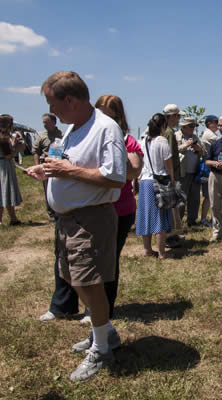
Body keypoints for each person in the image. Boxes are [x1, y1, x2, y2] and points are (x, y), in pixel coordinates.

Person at [26, 71, 127, 382]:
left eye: (52, 103)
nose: (50, 111)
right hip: (69, 219)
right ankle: (104, 334)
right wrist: (47, 170)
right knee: (75, 279)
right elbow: (65, 164)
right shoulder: (72, 128)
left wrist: (68, 171)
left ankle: (102, 350)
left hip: (91, 217)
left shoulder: (105, 129)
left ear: (69, 100)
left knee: (89, 282)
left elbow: (115, 177)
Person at [93, 94, 143, 319]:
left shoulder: (127, 141)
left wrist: (115, 155)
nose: (101, 114)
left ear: (118, 114)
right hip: (92, 206)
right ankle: (91, 305)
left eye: (106, 110)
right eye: (98, 109)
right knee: (90, 258)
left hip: (120, 208)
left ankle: (105, 307)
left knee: (109, 260)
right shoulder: (90, 136)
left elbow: (133, 171)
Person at [136, 113, 174, 259]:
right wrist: (172, 179)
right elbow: (168, 164)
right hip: (159, 181)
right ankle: (162, 252)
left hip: (145, 181)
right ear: (163, 126)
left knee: (145, 215)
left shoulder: (143, 140)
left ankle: (147, 249)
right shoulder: (162, 141)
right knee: (160, 216)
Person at [162, 104, 185, 247]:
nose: (179, 119)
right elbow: (168, 156)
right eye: (177, 116)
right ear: (171, 116)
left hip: (167, 175)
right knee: (171, 207)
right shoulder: (169, 132)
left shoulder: (164, 130)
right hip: (170, 176)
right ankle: (170, 236)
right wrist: (171, 177)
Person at [33, 113, 63, 221]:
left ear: (54, 122)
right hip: (45, 164)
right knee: (47, 189)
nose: (44, 124)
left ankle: (60, 210)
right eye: (43, 122)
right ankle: (51, 213)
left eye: (47, 122)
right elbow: (36, 151)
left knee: (59, 188)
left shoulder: (62, 134)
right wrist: (37, 166)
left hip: (59, 165)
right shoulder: (41, 136)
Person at [176, 117, 202, 226]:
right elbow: (173, 151)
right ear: (184, 127)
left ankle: (192, 220)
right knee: (181, 199)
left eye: (194, 126)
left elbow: (203, 151)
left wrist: (199, 149)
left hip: (194, 172)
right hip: (182, 172)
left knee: (195, 199)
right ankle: (178, 221)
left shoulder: (195, 137)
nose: (193, 128)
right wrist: (185, 145)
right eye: (191, 126)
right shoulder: (176, 136)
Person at [0, 114, 24, 225]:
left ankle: (8, 219)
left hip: (4, 165)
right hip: (4, 166)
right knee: (6, 191)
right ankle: (13, 219)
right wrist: (17, 147)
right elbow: (8, 155)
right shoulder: (3, 137)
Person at [199, 115, 220, 226]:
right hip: (208, 168)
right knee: (208, 195)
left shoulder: (211, 134)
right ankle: (203, 219)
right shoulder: (209, 135)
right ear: (209, 123)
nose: (218, 124)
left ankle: (212, 218)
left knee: (212, 195)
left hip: (210, 167)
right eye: (215, 122)